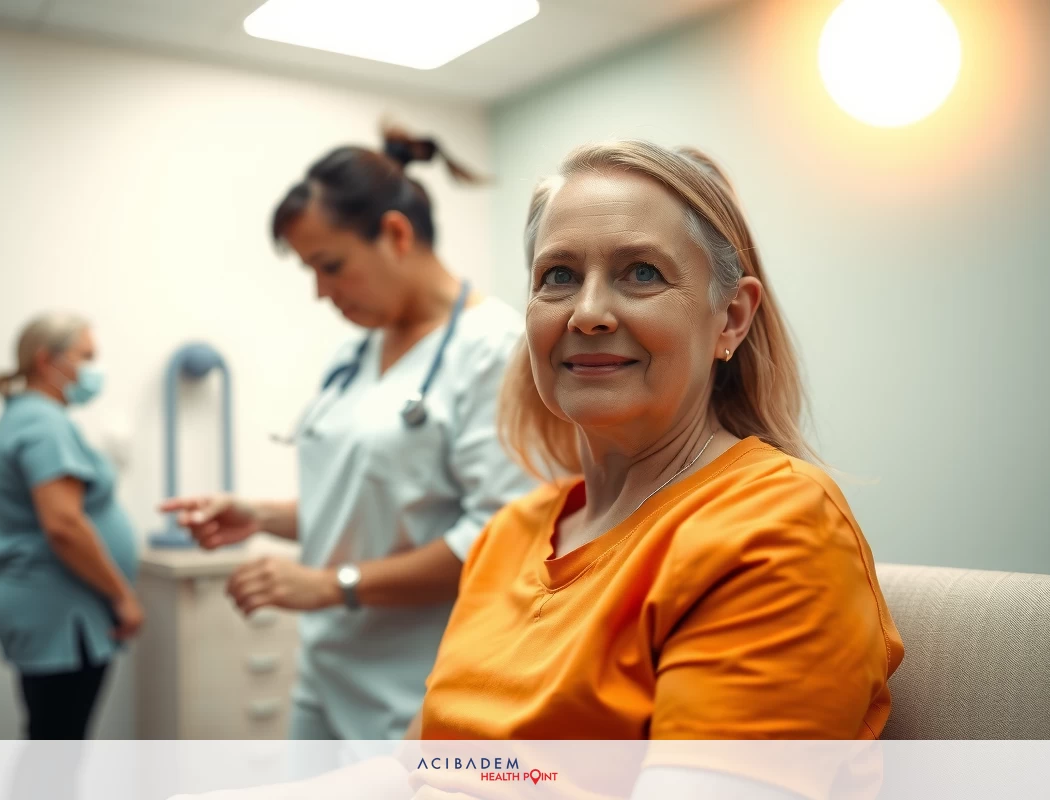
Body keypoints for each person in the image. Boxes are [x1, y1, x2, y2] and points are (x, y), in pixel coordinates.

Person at [166, 140, 905, 798]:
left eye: (641, 273)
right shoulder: (513, 535)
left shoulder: (774, 528)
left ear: (731, 319)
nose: (587, 312)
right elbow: (420, 766)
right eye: (557, 276)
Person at [160, 126, 535, 741]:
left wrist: (332, 586)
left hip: (421, 690)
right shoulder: (358, 352)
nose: (320, 292)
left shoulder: (494, 348)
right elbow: (372, 505)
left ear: (395, 234)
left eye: (330, 266)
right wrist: (257, 514)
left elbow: (497, 541)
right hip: (327, 672)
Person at [0, 313, 142, 740]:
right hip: (60, 614)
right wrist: (122, 596)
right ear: (47, 360)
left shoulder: (27, 417)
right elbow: (64, 525)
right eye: (86, 357)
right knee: (56, 752)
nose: (95, 370)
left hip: (53, 610)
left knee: (51, 746)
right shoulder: (43, 424)